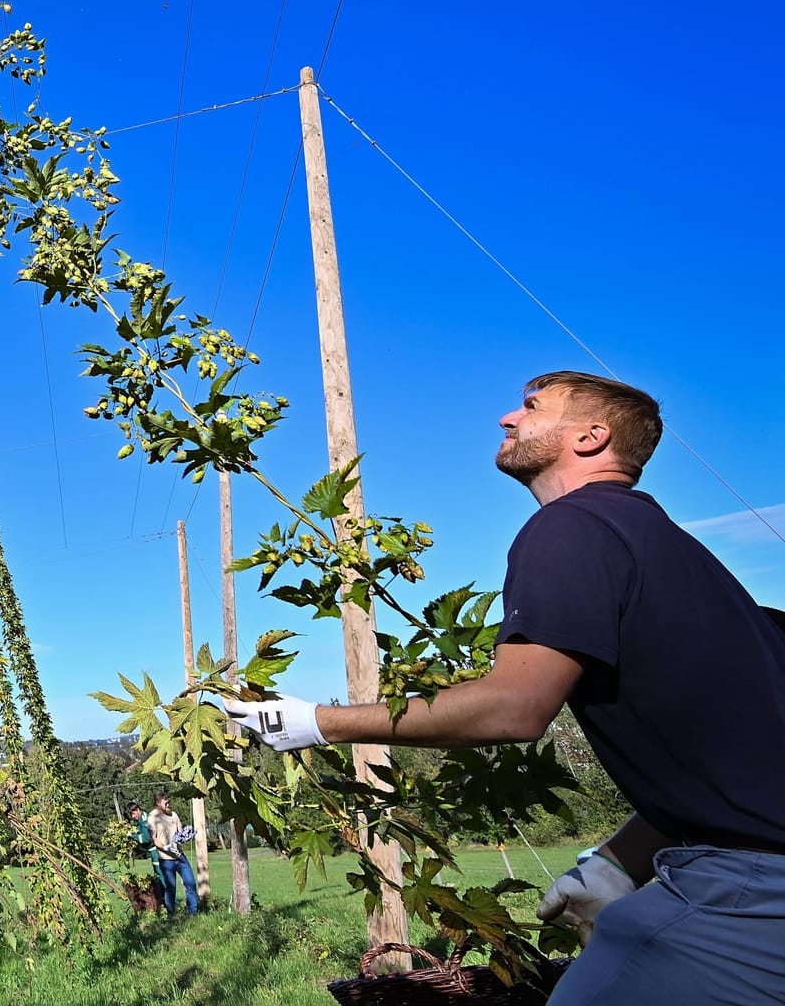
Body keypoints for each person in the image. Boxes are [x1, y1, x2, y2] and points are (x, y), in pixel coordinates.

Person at [221, 371, 785, 1004]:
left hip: (749, 887)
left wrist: (316, 722)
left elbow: (516, 707)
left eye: (532, 407)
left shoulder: (575, 527)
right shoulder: (676, 556)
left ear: (593, 436)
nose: (506, 418)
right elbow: (730, 762)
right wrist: (617, 863)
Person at [147, 793, 199, 915]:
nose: (168, 804)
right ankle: (171, 914)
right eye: (165, 802)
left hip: (180, 856)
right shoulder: (152, 817)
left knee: (190, 883)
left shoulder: (173, 815)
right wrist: (165, 847)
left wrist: (185, 836)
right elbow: (153, 839)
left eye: (168, 802)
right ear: (158, 803)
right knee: (171, 888)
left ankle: (192, 913)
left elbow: (179, 832)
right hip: (166, 860)